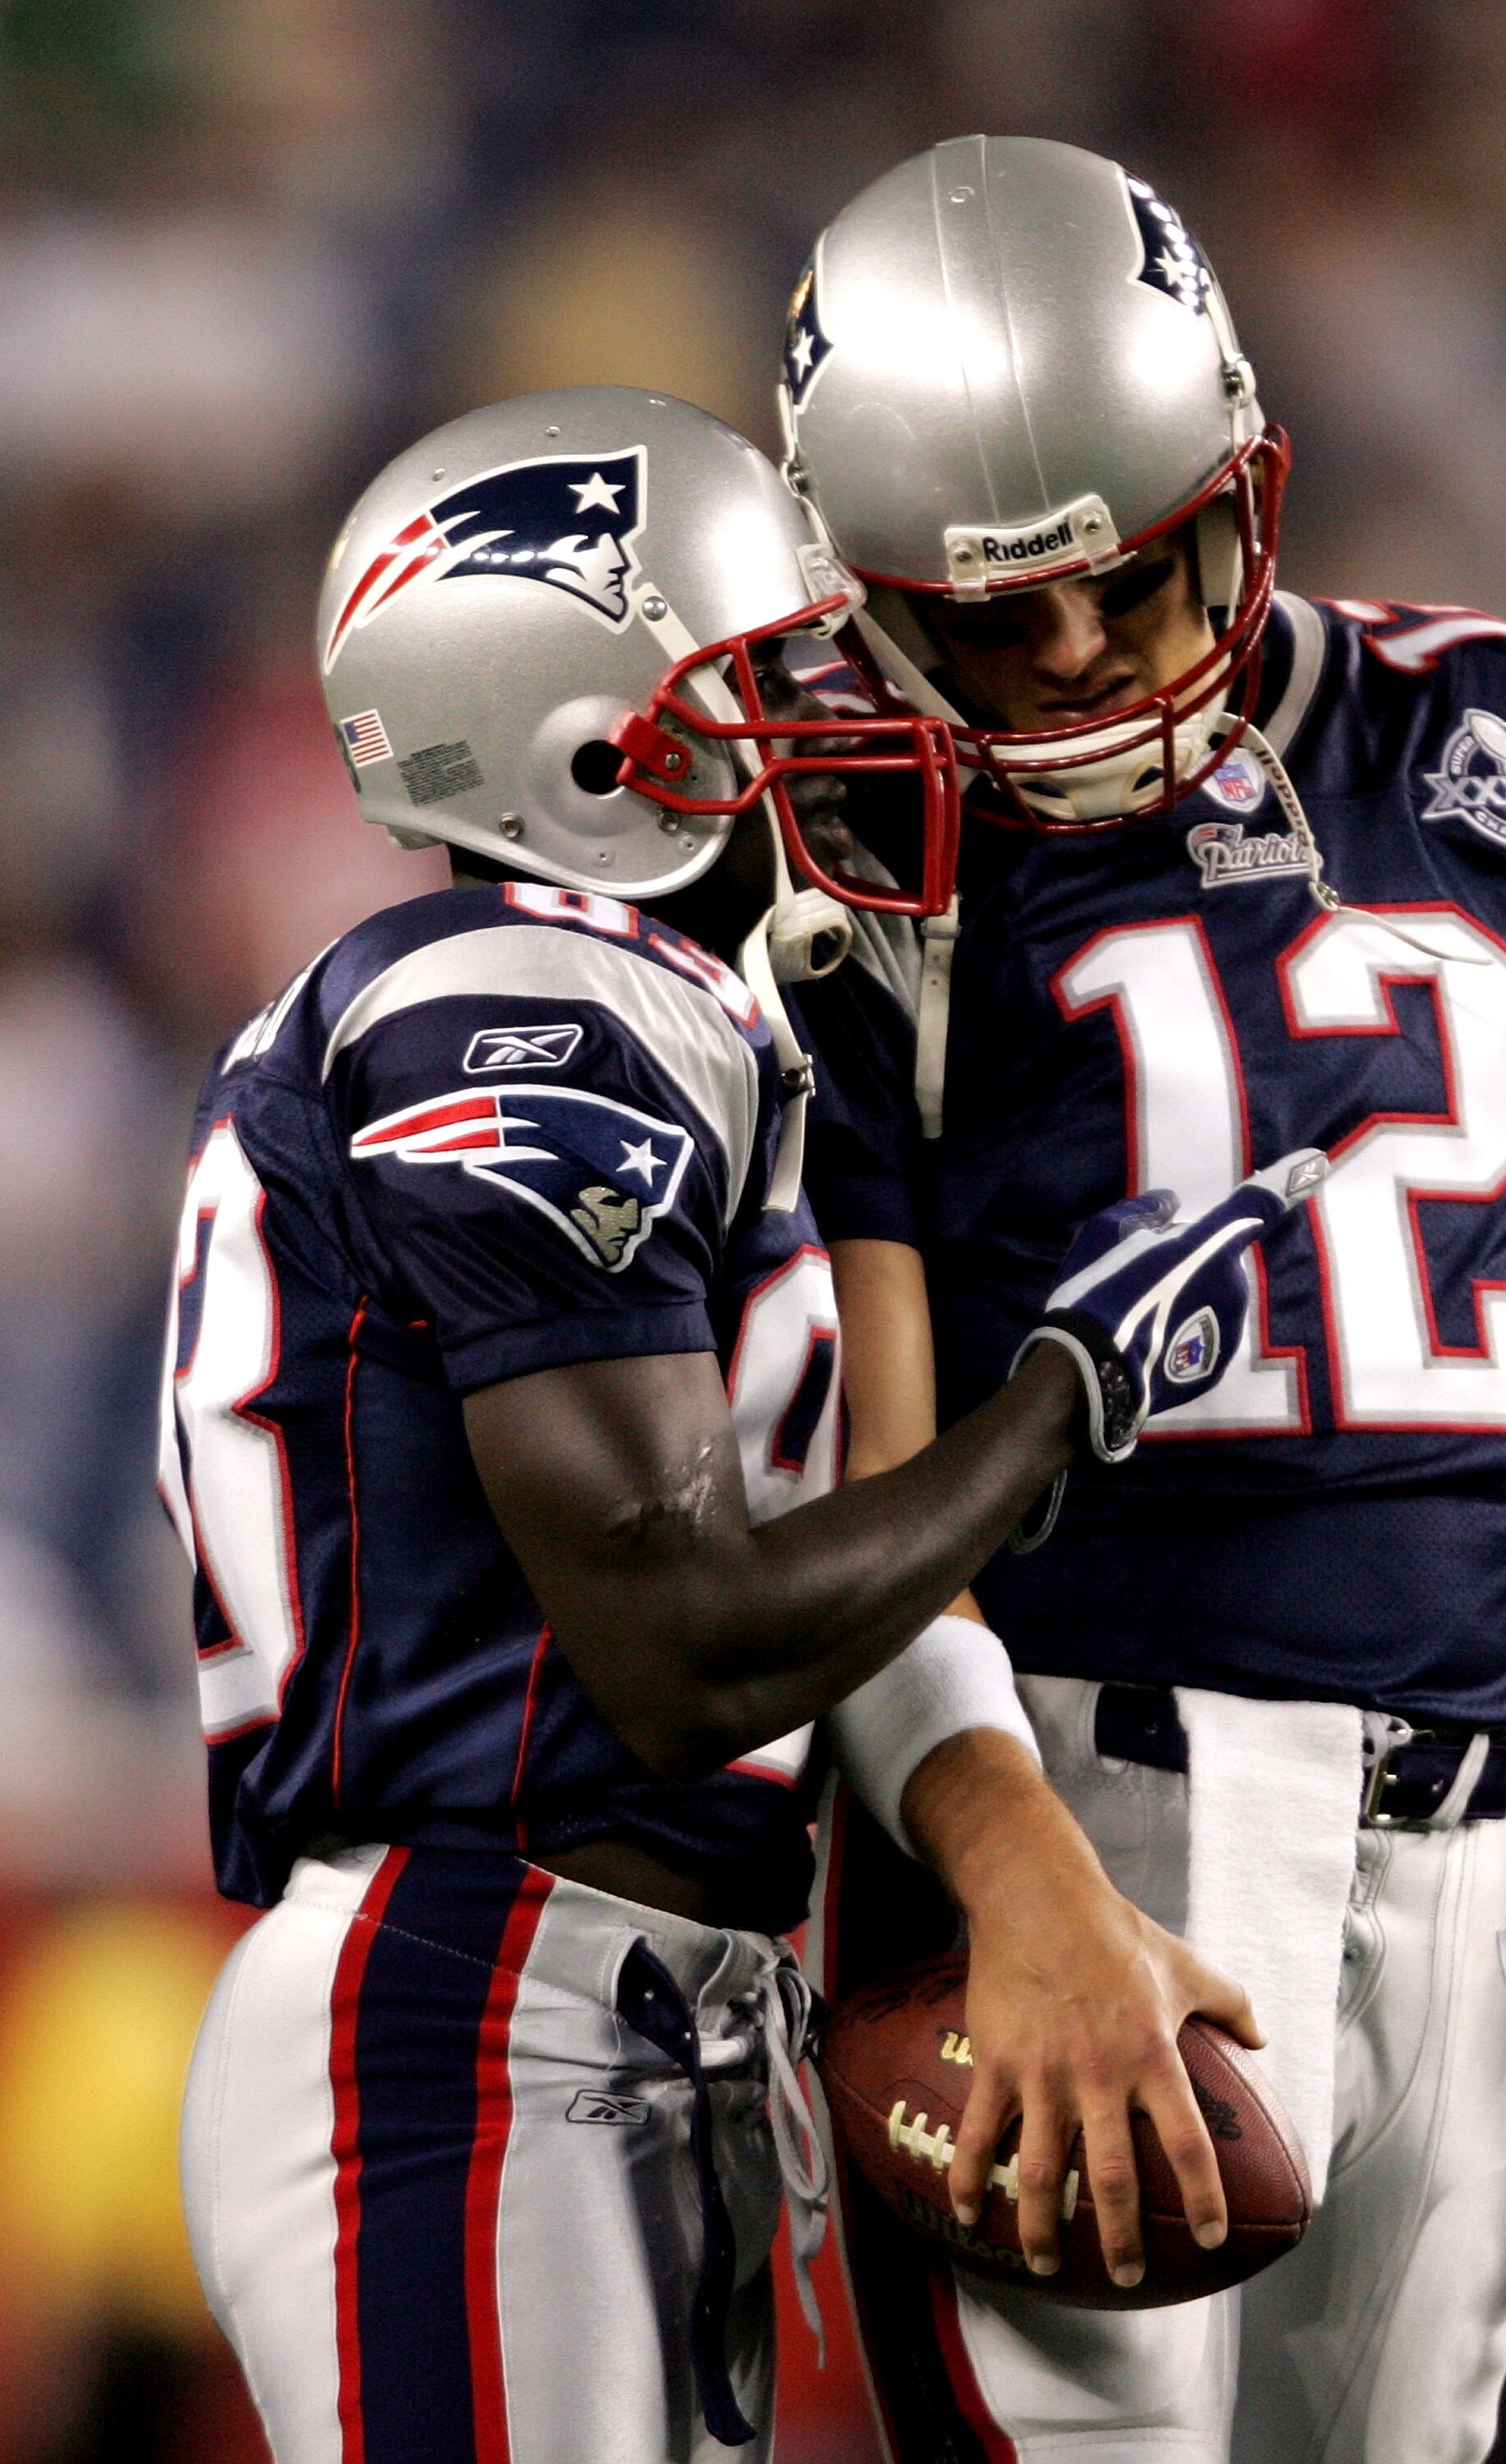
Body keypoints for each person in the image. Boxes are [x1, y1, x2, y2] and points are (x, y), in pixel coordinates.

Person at [156, 383, 1316, 2462]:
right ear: (589, 749)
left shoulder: (656, 1008)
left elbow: (765, 1589)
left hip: (611, 2002)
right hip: (473, 2005)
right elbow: (681, 1642)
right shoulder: (505, 1001)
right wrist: (1062, 1398)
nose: (835, 712)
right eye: (761, 675)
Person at [778, 137, 1506, 2464]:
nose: (1061, 661)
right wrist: (1015, 1880)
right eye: (978, 614)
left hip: (1475, 1855)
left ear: (1240, 472)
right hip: (1076, 1794)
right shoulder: (854, 867)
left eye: (1122, 583)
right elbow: (868, 1480)